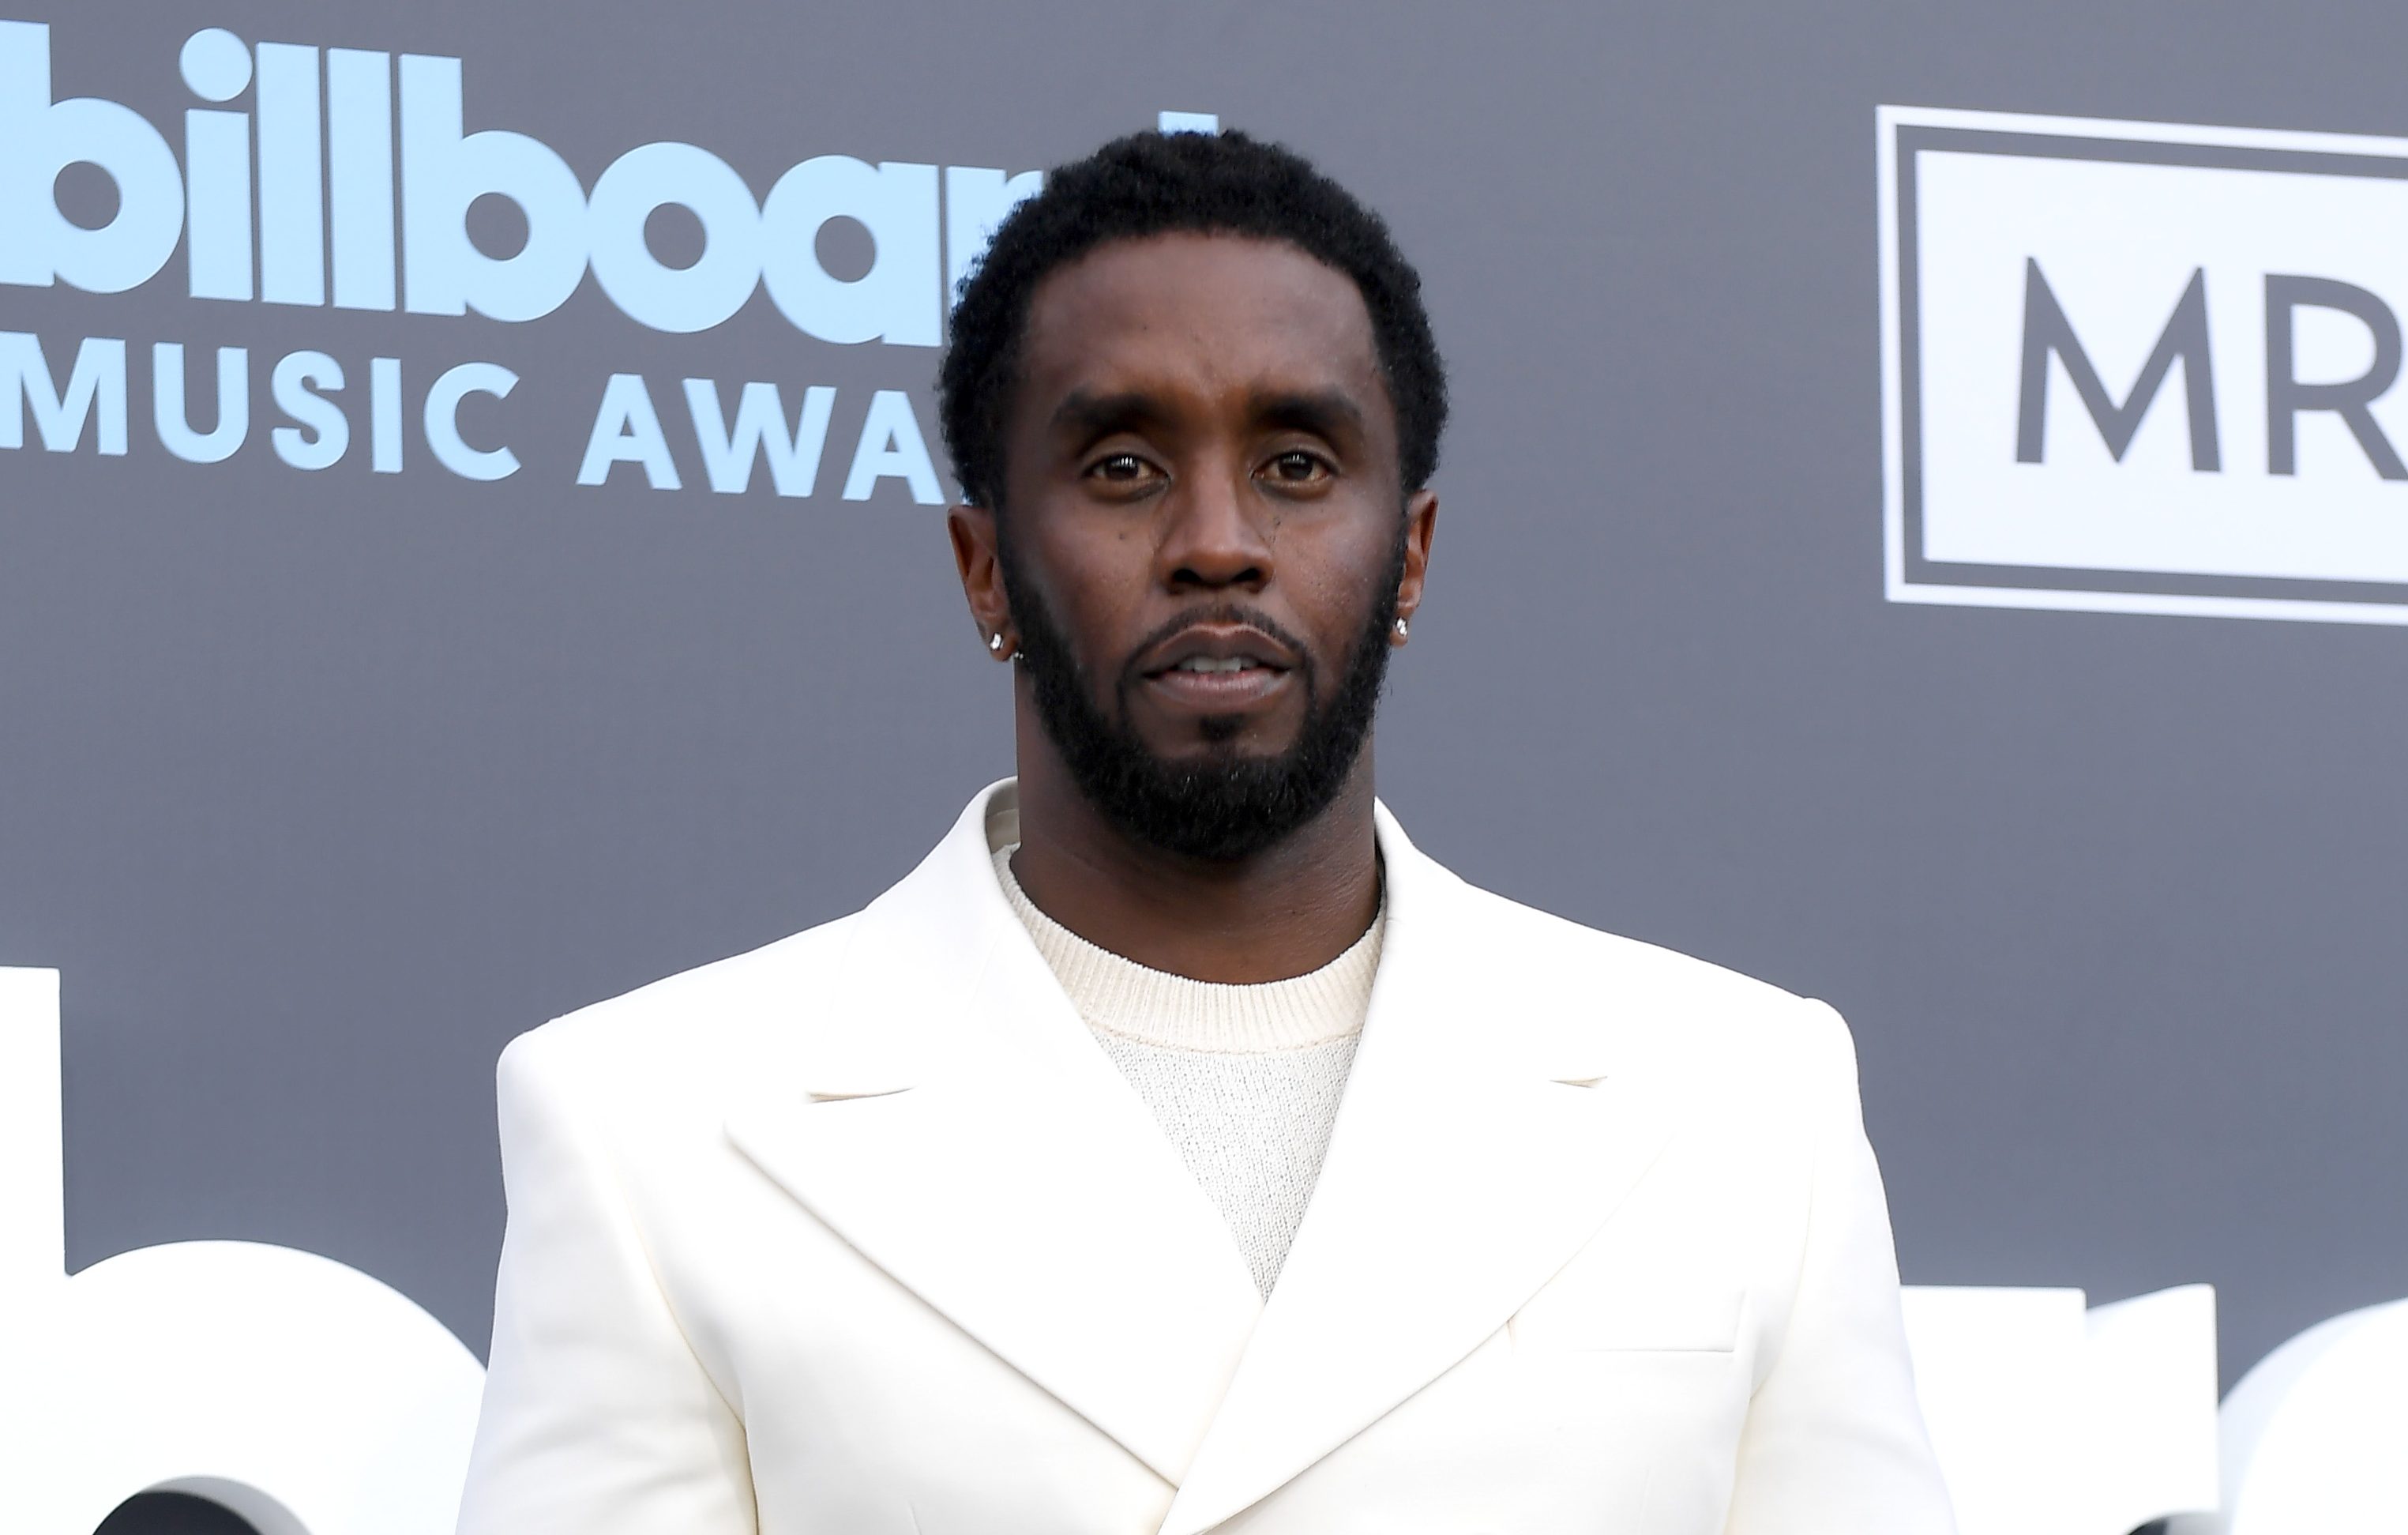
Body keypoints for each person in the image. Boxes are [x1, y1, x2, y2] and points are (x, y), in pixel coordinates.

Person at [453, 129, 1955, 1535]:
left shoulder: (1744, 1106)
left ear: (1409, 552)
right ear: (984, 568)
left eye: (1296, 465)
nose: (1218, 542)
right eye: (1122, 468)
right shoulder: (650, 1126)